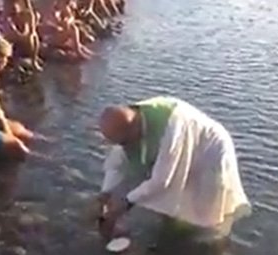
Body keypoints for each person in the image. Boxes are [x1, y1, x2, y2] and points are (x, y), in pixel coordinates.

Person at [95, 97, 251, 240]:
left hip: (209, 152)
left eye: (123, 142)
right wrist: (105, 193)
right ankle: (174, 233)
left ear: (132, 130)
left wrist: (126, 202)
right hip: (179, 151)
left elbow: (162, 180)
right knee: (175, 206)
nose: (123, 147)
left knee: (207, 213)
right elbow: (116, 164)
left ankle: (217, 251)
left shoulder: (171, 127)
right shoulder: (125, 124)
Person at [0, 37, 33, 160]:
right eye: (4, 57)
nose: (5, 62)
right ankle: (44, 163)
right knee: (16, 146)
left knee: (22, 131)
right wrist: (8, 134)